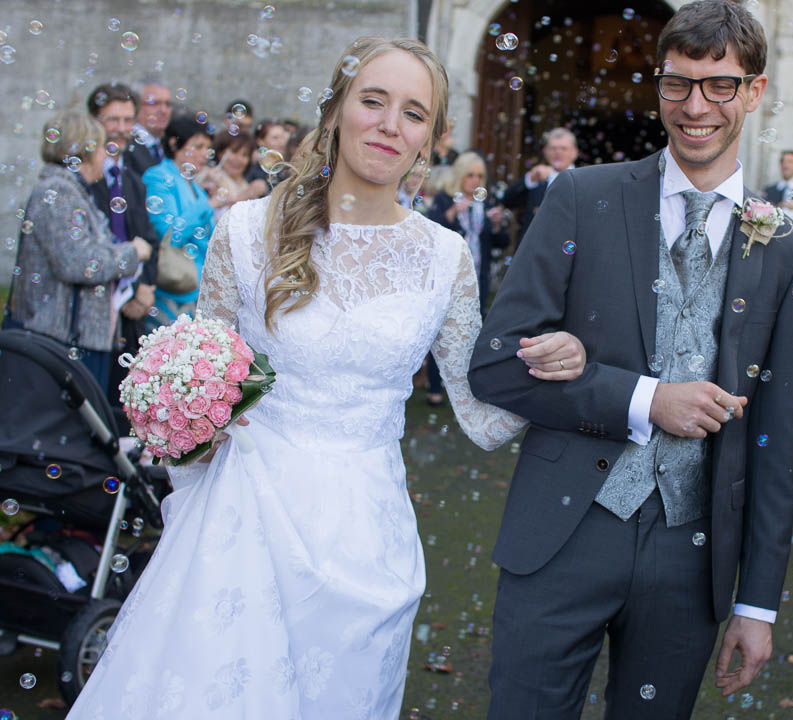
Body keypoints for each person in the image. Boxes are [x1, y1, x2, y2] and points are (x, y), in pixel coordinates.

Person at [65, 36, 588, 719]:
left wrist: (554, 366)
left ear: (430, 138)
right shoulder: (245, 232)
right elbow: (205, 382)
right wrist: (176, 416)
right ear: (337, 111)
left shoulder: (445, 257)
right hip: (242, 525)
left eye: (412, 112)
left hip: (366, 538)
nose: (388, 124)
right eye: (372, 101)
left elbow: (483, 420)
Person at [469, 2, 793, 716]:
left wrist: (757, 603)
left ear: (753, 91)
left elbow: (775, 438)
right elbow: (495, 364)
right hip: (564, 532)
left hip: (690, 555)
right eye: (676, 84)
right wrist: (642, 398)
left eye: (719, 85)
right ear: (656, 86)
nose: (695, 107)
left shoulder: (785, 244)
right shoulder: (581, 198)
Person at [6, 111, 152, 393]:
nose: (104, 155)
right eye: (100, 147)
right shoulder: (58, 192)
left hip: (77, 339)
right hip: (61, 340)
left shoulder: (73, 191)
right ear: (82, 152)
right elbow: (78, 262)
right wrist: (132, 253)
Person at [86, 82, 161, 405]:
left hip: (132, 307)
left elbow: (149, 237)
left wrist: (145, 287)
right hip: (95, 304)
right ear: (93, 122)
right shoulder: (83, 179)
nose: (121, 129)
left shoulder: (132, 178)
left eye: (128, 120)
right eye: (112, 120)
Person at [426, 151, 511, 405]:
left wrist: (497, 225)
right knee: (441, 330)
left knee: (471, 331)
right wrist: (453, 212)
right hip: (449, 278)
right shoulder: (443, 199)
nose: (475, 180)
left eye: (480, 176)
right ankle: (434, 386)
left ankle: (463, 387)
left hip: (477, 277)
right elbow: (432, 230)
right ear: (459, 175)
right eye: (470, 175)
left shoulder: (485, 202)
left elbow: (502, 242)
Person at [142, 112, 221, 328]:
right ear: (174, 144)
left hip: (197, 288)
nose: (204, 154)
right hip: (172, 286)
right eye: (197, 146)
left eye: (207, 148)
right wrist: (209, 205)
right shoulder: (158, 176)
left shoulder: (196, 187)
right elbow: (170, 232)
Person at [500, 126, 578, 245]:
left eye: (563, 148)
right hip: (533, 248)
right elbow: (508, 200)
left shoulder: (582, 180)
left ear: (574, 152)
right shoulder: (536, 177)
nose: (558, 152)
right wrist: (530, 179)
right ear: (545, 151)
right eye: (553, 148)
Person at [201, 130, 262, 218]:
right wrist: (246, 194)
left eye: (245, 155)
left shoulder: (246, 184)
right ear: (220, 152)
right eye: (234, 152)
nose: (238, 159)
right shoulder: (209, 176)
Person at [125, 80, 173, 176]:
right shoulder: (126, 143)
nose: (163, 110)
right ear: (136, 106)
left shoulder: (169, 144)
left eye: (167, 104)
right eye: (155, 103)